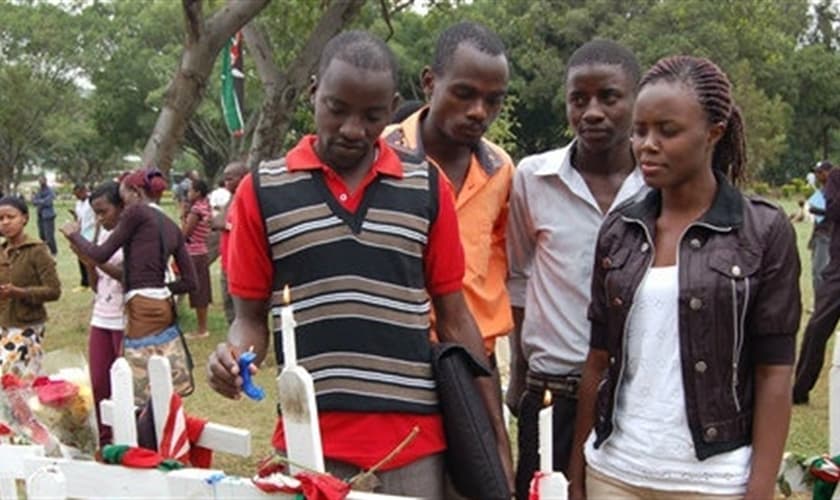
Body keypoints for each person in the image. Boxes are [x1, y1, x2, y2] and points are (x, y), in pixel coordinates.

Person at [207, 30, 513, 496]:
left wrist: (492, 430)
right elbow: (249, 320)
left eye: (372, 116)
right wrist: (234, 357)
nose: (353, 129)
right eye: (337, 109)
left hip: (416, 444)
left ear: (392, 108)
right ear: (314, 93)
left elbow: (454, 316)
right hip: (309, 439)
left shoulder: (425, 187)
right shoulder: (262, 191)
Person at [568, 55, 800, 500]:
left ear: (714, 133)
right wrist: (578, 475)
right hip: (615, 473)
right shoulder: (619, 231)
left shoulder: (763, 231)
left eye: (667, 131)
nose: (646, 145)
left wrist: (760, 489)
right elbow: (597, 361)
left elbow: (774, 373)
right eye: (639, 130)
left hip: (713, 482)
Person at [505, 39, 645, 499]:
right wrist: (519, 375)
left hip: (634, 399)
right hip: (551, 395)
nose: (592, 112)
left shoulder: (658, 186)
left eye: (608, 97)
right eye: (578, 99)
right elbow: (521, 277)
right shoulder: (533, 179)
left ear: (635, 99)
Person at [384, 21, 513, 366]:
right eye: (464, 94)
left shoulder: (499, 169)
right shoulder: (380, 154)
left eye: (493, 100)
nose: (478, 111)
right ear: (430, 83)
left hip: (471, 354)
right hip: (394, 353)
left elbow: (499, 255)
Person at [60, 168, 196, 342]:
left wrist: (74, 235)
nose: (124, 208)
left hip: (141, 305)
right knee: (157, 361)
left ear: (136, 193)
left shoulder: (137, 212)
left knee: (137, 362)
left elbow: (101, 254)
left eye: (123, 199)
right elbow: (190, 282)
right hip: (163, 305)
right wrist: (159, 289)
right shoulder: (171, 226)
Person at [74, 181, 125, 445]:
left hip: (125, 317)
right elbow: (97, 285)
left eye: (104, 211)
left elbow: (127, 275)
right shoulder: (101, 234)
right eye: (96, 213)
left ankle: (130, 436)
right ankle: (105, 440)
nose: (100, 218)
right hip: (101, 315)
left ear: (121, 206)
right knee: (99, 383)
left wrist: (96, 259)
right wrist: (89, 264)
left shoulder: (131, 235)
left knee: (125, 383)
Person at [0, 196, 61, 377]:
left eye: (10, 217)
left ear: (24, 218)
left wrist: (18, 292)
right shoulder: (2, 251)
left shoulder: (37, 250)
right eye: (0, 219)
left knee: (14, 377)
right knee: (16, 383)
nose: (5, 222)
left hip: (27, 325)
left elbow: (54, 291)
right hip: (4, 323)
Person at [794, 164, 840, 405]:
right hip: (838, 272)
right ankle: (800, 389)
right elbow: (832, 210)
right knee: (817, 329)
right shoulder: (836, 177)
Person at [212, 160, 248, 326]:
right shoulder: (232, 198)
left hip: (241, 263)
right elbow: (217, 221)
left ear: (242, 178)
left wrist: (226, 225)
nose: (225, 182)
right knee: (228, 305)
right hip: (227, 261)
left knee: (241, 309)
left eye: (229, 178)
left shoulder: (249, 199)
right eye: (224, 179)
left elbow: (247, 228)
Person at [182, 178, 212, 339]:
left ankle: (201, 329)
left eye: (190, 190)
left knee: (198, 291)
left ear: (197, 193)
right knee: (202, 290)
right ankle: (202, 326)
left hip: (193, 253)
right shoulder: (205, 206)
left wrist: (182, 216)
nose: (188, 193)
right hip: (202, 251)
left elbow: (185, 234)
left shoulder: (196, 210)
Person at [807, 161, 833, 294]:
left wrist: (817, 210)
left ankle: (821, 304)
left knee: (820, 272)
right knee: (816, 271)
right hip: (819, 235)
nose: (817, 175)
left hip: (827, 236)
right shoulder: (822, 190)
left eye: (820, 172)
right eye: (816, 172)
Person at [72, 183, 96, 291]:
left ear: (83, 191)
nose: (77, 197)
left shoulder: (92, 201)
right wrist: (74, 216)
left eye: (78, 194)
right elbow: (79, 216)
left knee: (90, 259)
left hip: (91, 233)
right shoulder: (78, 203)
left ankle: (93, 281)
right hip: (81, 232)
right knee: (80, 257)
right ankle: (84, 283)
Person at [206, 178, 231, 264]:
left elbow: (212, 205)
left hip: (216, 222)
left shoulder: (214, 193)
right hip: (225, 222)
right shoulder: (229, 194)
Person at [31, 175, 57, 256]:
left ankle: (54, 252)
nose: (41, 182)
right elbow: (34, 202)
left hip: (48, 216)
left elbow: (48, 202)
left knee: (49, 236)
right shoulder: (39, 191)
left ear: (46, 181)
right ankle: (45, 251)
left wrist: (39, 201)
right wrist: (41, 201)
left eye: (42, 180)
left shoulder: (50, 190)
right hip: (40, 216)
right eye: (39, 181)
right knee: (42, 235)